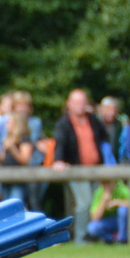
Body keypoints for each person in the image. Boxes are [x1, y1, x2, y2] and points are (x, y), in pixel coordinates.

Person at [51, 89, 110, 240]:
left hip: (96, 169)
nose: (80, 105)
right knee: (85, 203)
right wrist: (58, 160)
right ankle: (81, 238)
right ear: (68, 104)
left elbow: (104, 137)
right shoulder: (64, 123)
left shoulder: (92, 119)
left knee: (96, 203)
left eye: (83, 101)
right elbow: (60, 142)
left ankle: (92, 235)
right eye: (76, 102)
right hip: (75, 169)